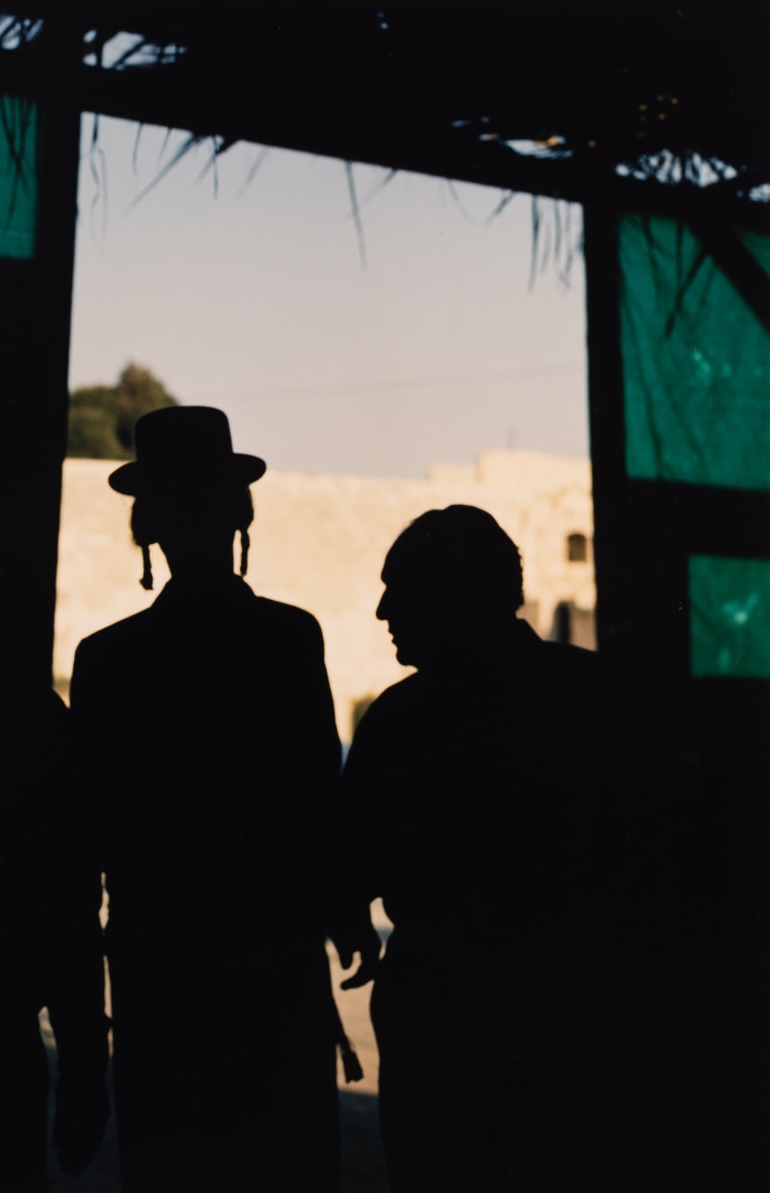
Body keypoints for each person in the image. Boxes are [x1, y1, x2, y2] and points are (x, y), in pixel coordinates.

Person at [70, 406, 363, 1193]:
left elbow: (82, 843)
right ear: (242, 515)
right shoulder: (291, 638)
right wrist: (343, 913)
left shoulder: (105, 661)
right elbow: (316, 791)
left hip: (159, 979)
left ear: (146, 528)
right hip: (275, 970)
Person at [340, 504, 652, 1193]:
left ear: (450, 595)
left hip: (441, 1022)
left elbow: (347, 864)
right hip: (577, 1015)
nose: (383, 610)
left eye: (401, 588)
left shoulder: (398, 720)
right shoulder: (601, 693)